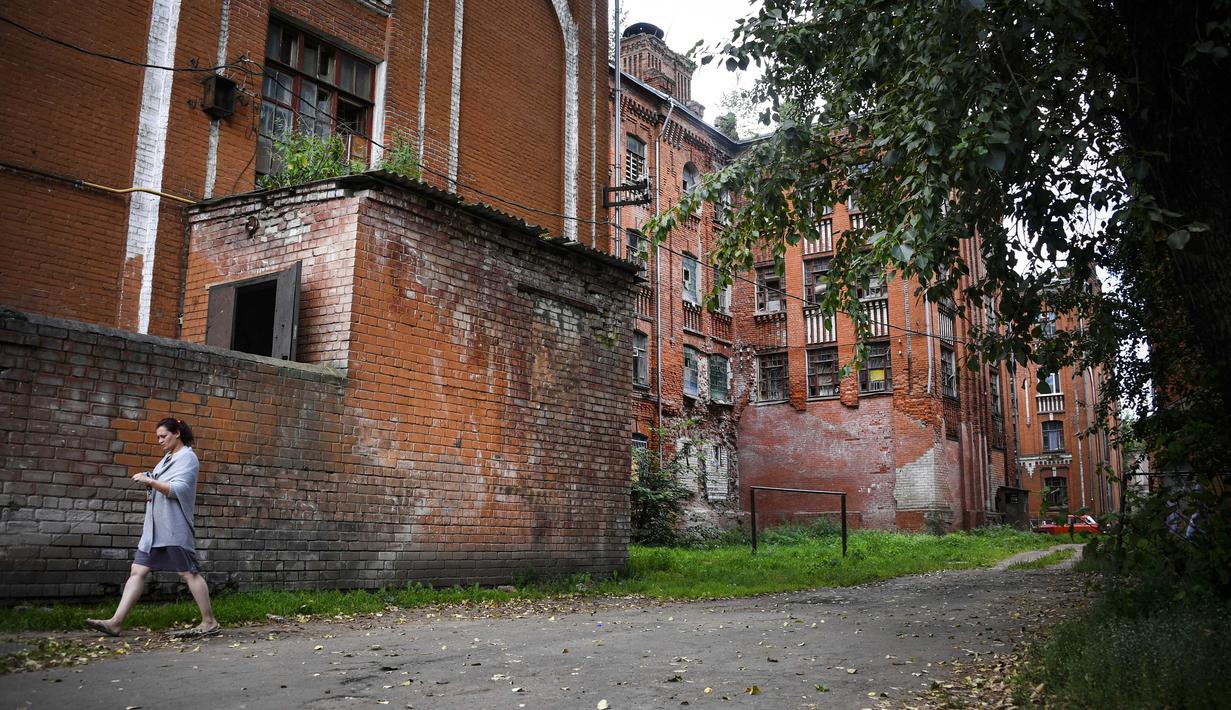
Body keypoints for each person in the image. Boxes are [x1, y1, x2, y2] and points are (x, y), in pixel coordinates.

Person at [85, 418, 219, 638]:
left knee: (188, 573)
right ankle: (116, 623)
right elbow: (159, 483)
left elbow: (178, 489)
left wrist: (150, 482)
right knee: (137, 570)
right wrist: (151, 478)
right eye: (158, 437)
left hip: (173, 527)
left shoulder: (188, 458)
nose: (159, 441)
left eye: (163, 436)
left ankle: (209, 621)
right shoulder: (166, 459)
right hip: (154, 529)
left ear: (177, 433)